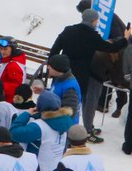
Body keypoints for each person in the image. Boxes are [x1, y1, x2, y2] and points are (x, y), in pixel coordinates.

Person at [50, 9, 131, 140]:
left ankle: (54, 127)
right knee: (74, 105)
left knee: (58, 100)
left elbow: (54, 50)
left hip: (62, 73)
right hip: (80, 77)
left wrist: (52, 67)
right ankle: (75, 134)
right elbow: (111, 48)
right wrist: (126, 38)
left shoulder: (68, 30)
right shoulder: (92, 36)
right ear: (94, 21)